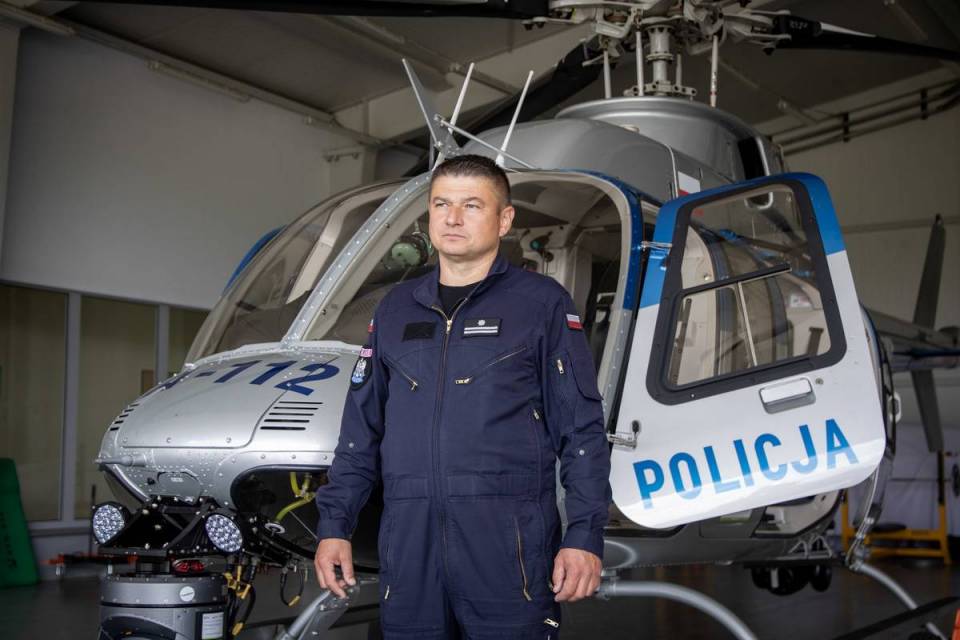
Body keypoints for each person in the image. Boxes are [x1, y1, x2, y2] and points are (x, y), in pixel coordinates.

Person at [313, 154, 611, 639]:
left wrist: (584, 534)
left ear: (504, 219)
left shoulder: (541, 304)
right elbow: (359, 432)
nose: (452, 218)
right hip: (409, 548)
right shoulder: (394, 310)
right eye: (441, 204)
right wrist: (334, 526)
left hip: (508, 546)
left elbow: (581, 430)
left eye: (472, 205)